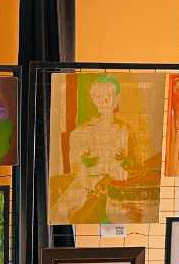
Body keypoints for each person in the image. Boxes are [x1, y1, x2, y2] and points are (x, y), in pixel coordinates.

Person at [50, 73, 130, 219]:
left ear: (116, 98)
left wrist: (119, 169)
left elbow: (129, 163)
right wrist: (89, 168)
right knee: (64, 213)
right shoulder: (80, 133)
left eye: (108, 95)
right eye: (99, 96)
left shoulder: (123, 130)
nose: (104, 101)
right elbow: (76, 169)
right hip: (86, 188)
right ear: (93, 99)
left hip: (115, 188)